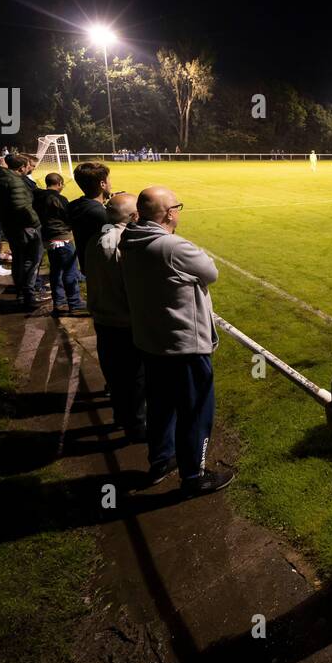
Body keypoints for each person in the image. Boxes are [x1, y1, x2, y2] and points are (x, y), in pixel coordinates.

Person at [120, 186, 234, 496]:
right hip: (184, 345)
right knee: (196, 410)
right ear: (170, 213)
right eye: (178, 207)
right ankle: (194, 476)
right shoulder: (172, 247)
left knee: (161, 406)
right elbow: (210, 272)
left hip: (150, 341)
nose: (179, 211)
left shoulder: (129, 240)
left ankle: (161, 461)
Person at [87, 193, 146, 443]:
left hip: (103, 320)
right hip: (125, 323)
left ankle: (123, 416)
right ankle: (137, 429)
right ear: (134, 216)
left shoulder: (95, 239)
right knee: (135, 379)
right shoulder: (125, 244)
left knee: (116, 375)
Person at [0, 154, 48, 311]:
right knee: (32, 260)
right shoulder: (15, 181)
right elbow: (21, 207)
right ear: (22, 167)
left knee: (19, 259)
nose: (29, 168)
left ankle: (22, 293)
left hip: (10, 224)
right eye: (28, 166)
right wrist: (36, 222)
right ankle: (28, 295)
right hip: (24, 226)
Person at [34, 173, 85, 316]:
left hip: (47, 238)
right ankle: (74, 303)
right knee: (70, 271)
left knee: (56, 270)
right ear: (60, 183)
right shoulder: (58, 198)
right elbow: (68, 217)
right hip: (62, 238)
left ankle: (59, 302)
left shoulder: (38, 197)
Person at [67, 161, 111, 276]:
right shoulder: (100, 213)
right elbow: (111, 239)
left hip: (87, 265)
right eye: (108, 180)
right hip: (103, 268)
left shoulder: (74, 205)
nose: (110, 184)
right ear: (102, 184)